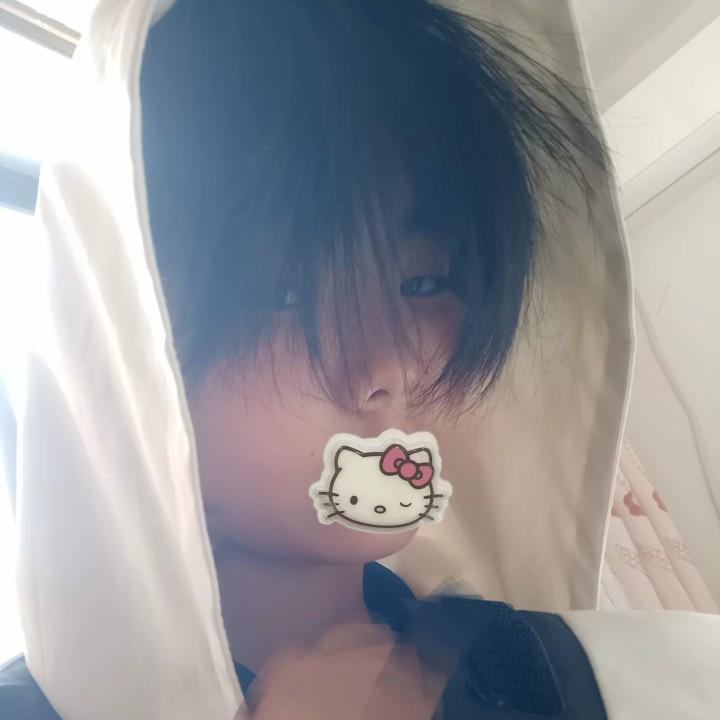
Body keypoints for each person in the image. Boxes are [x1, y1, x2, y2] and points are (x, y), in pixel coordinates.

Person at [2, 1, 719, 719]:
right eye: (285, 295)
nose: (389, 368)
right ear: (123, 342)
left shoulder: (606, 673)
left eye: (424, 282)